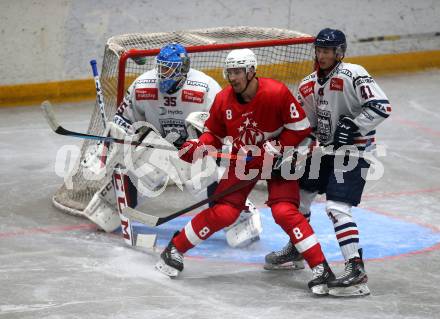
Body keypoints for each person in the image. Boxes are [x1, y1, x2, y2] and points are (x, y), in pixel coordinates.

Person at [157, 48, 335, 295]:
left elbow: (301, 128)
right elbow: (215, 135)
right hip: (245, 159)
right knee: (224, 212)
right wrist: (198, 146)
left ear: (252, 71)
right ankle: (174, 249)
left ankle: (321, 268)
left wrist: (279, 146)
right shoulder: (223, 99)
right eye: (230, 72)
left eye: (238, 72)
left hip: (279, 161)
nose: (233, 77)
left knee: (284, 211)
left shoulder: (276, 92)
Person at [82, 43, 263, 248]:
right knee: (142, 167)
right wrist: (106, 148)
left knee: (200, 179)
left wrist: (222, 146)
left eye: (169, 70)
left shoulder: (206, 88)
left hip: (195, 149)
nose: (163, 75)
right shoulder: (143, 85)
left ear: (183, 69)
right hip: (158, 145)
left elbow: (227, 125)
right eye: (161, 68)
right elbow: (123, 120)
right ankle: (112, 204)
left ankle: (242, 215)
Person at [264, 28, 392, 297]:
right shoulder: (308, 84)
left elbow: (381, 106)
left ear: (339, 52)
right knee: (300, 197)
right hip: (324, 153)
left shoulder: (353, 74)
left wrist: (353, 125)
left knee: (337, 207)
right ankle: (298, 248)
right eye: (319, 50)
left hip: (354, 153)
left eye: (327, 51)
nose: (321, 55)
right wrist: (292, 151)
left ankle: (355, 268)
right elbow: (305, 127)